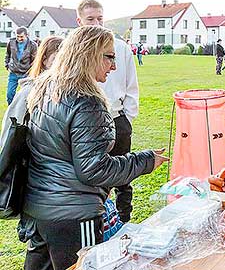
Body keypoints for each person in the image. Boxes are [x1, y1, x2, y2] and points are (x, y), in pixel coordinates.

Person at [19, 25, 168, 270]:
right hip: (73, 214)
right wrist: (145, 160)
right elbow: (94, 170)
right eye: (109, 57)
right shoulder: (87, 103)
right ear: (88, 54)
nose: (114, 66)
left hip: (40, 209)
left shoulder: (45, 88)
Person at [77, 0, 139, 223]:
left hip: (116, 119)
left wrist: (126, 120)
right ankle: (99, 220)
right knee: (94, 175)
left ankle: (124, 219)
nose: (96, 23)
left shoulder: (120, 48)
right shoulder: (74, 50)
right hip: (86, 125)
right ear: (80, 21)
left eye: (100, 18)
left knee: (123, 174)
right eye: (90, 19)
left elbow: (131, 87)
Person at [0, 36, 63, 150]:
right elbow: (10, 131)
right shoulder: (29, 91)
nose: (62, 66)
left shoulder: (70, 92)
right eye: (57, 60)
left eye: (66, 61)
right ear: (44, 60)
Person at [4, 27, 38, 105]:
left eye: (21, 37)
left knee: (27, 96)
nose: (19, 38)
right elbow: (8, 54)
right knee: (9, 94)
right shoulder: (11, 42)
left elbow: (35, 61)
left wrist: (31, 72)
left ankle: (25, 112)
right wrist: (7, 65)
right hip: (13, 73)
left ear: (27, 35)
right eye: (17, 36)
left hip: (26, 74)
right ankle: (11, 111)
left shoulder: (33, 45)